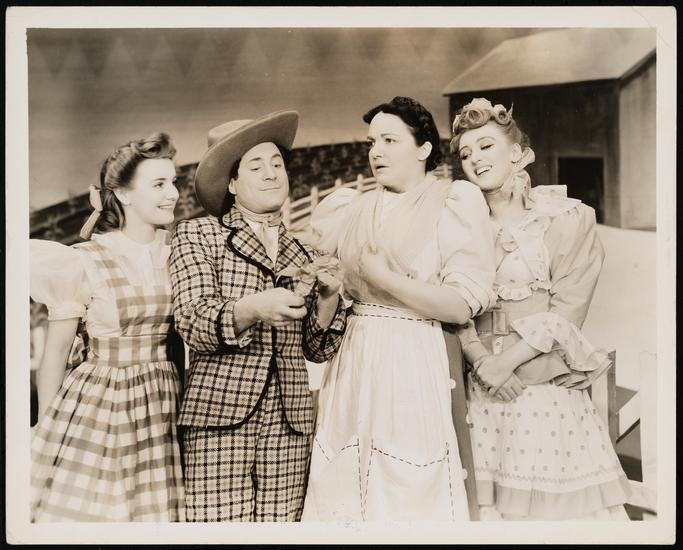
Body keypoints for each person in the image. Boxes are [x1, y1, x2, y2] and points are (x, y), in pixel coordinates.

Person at [301, 96, 497, 521]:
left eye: (390, 140)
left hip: (414, 358)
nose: (376, 151)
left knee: (405, 485)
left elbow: (460, 306)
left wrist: (385, 279)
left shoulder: (453, 202)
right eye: (372, 142)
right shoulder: (349, 209)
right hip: (353, 360)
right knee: (345, 483)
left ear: (424, 148)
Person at [451, 97, 631, 520]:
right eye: (466, 153)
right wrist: (482, 362)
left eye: (486, 146)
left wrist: (505, 364)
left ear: (516, 153)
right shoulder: (458, 225)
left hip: (539, 385)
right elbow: (452, 301)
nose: (475, 159)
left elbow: (567, 309)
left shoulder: (565, 219)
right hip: (479, 388)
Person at [170, 110, 347, 522]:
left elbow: (318, 350)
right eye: (255, 166)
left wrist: (328, 298)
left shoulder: (305, 252)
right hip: (219, 418)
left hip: (290, 424)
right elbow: (193, 321)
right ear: (232, 184)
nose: (271, 174)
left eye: (277, 164)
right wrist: (252, 308)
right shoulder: (198, 235)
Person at [29, 133, 185, 522]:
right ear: (124, 194)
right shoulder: (85, 260)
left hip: (165, 399)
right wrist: (47, 428)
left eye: (174, 182)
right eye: (159, 184)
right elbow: (55, 354)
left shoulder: (179, 252)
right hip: (103, 403)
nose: (173, 193)